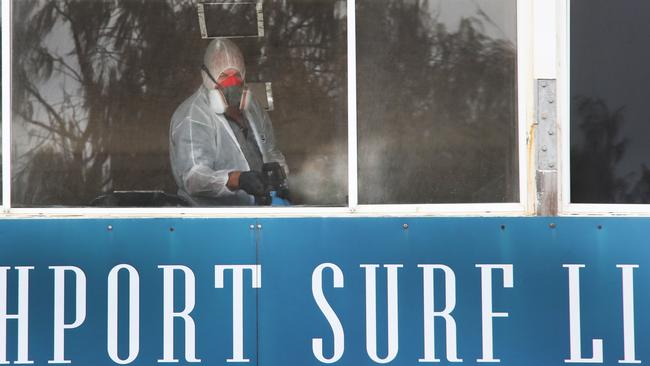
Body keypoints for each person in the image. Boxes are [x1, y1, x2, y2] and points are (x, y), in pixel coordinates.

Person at [170, 39, 288, 206]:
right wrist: (237, 179)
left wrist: (280, 177)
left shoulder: (253, 107)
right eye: (224, 76)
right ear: (207, 77)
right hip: (216, 219)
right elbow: (194, 178)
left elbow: (271, 150)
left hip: (259, 212)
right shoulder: (193, 116)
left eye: (237, 76)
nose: (232, 83)